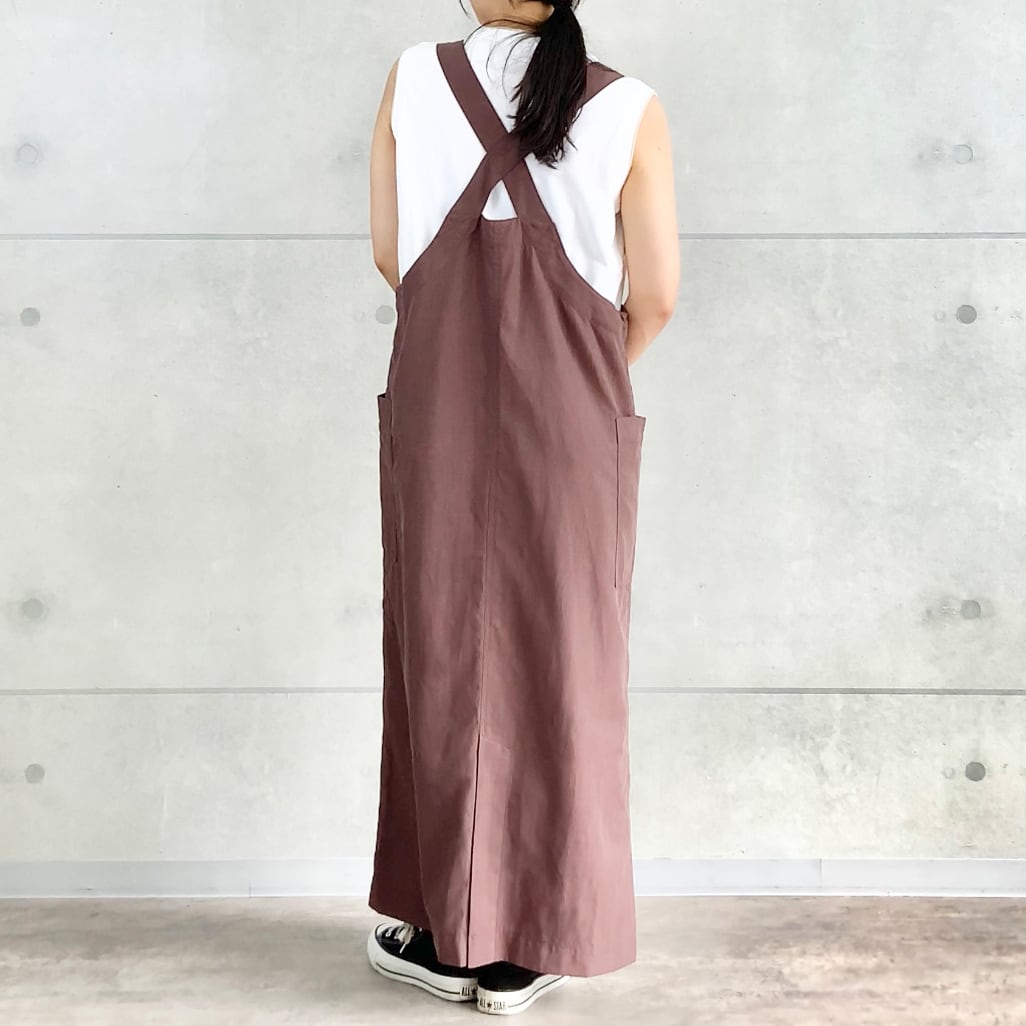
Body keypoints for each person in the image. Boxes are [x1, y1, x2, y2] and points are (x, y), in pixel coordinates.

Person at [366, 0, 678, 1015]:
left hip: (436, 401)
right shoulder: (630, 104)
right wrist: (578, 377)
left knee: (439, 652)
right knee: (567, 658)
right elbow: (657, 294)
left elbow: (391, 256)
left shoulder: (413, 78)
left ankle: (445, 932)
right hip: (575, 422)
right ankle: (530, 941)